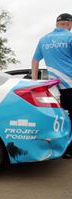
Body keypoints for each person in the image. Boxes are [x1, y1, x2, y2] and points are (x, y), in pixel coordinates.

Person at [31, 13, 72, 157]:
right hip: (70, 84)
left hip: (53, 87)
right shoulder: (69, 37)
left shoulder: (44, 40)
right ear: (69, 24)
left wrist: (34, 83)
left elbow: (35, 61)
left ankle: (63, 149)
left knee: (60, 118)